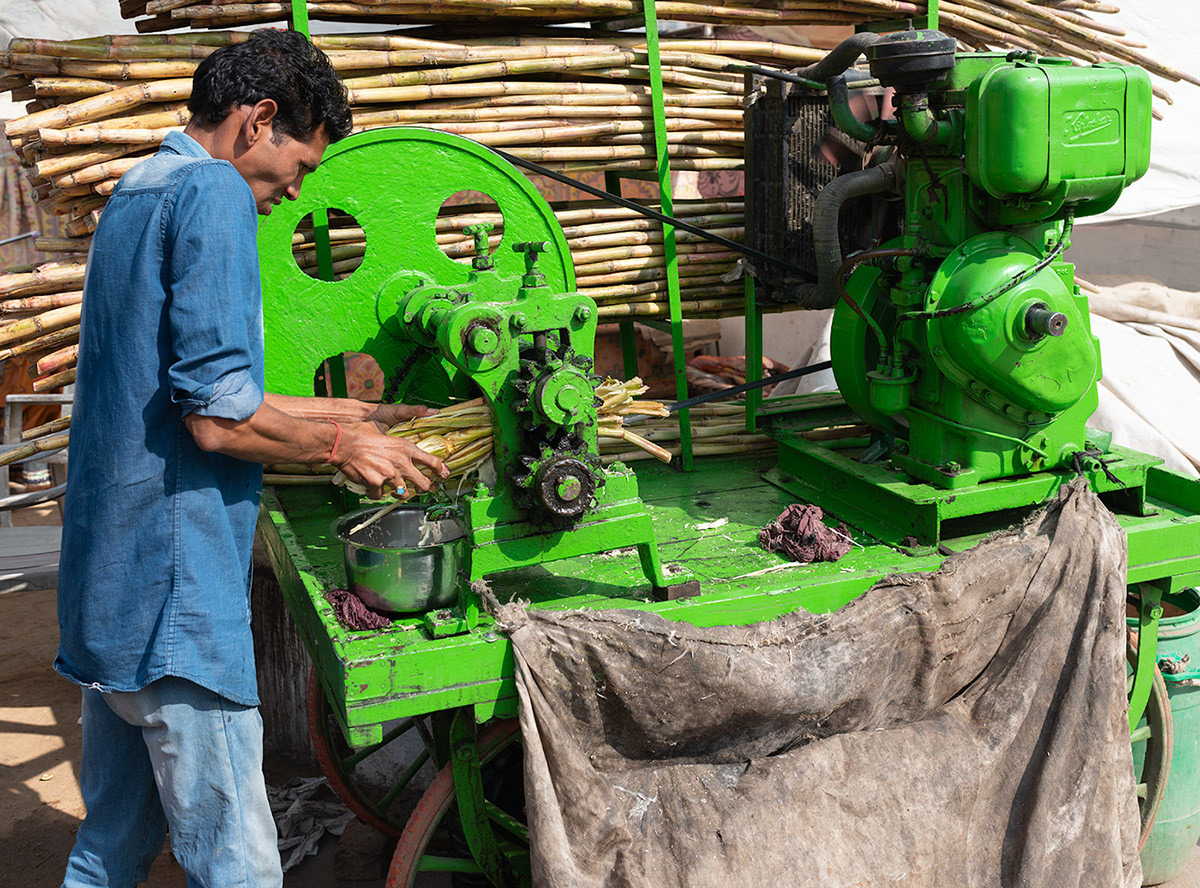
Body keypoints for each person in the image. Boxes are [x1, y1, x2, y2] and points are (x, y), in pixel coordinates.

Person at [55, 29, 446, 887]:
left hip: (110, 583)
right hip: (175, 600)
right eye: (300, 167)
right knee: (239, 866)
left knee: (111, 848)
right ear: (259, 120)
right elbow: (217, 422)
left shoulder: (139, 187)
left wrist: (359, 409)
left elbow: (177, 385)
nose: (293, 192)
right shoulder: (213, 196)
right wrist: (347, 448)